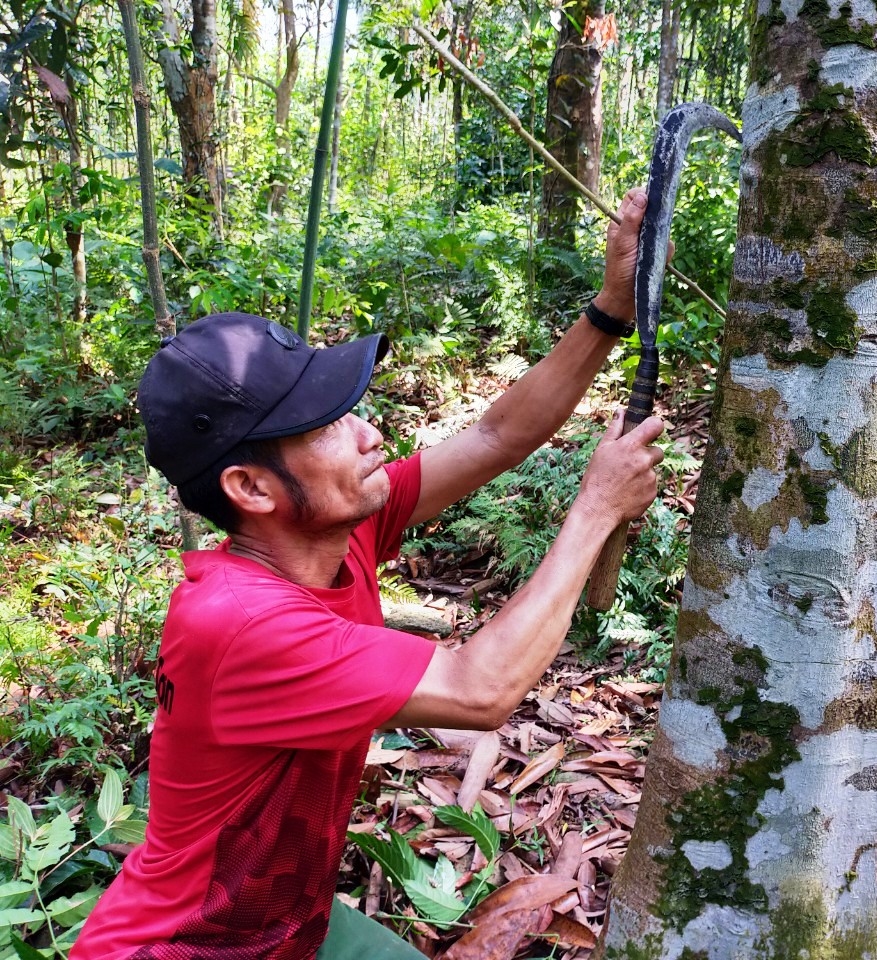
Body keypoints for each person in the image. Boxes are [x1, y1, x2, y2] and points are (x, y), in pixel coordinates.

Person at [72, 189, 665, 959]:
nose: (366, 430)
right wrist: (593, 510)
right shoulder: (241, 621)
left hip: (285, 927)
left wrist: (611, 306)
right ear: (250, 489)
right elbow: (479, 691)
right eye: (324, 426)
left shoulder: (332, 534)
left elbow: (495, 435)